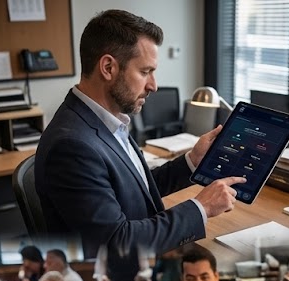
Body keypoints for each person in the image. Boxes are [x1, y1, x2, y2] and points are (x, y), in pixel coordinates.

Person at [35, 10, 243, 257]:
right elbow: (116, 242)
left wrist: (192, 162)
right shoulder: (72, 146)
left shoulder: (106, 120)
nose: (153, 85)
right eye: (145, 72)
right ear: (108, 67)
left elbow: (133, 189)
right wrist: (201, 207)